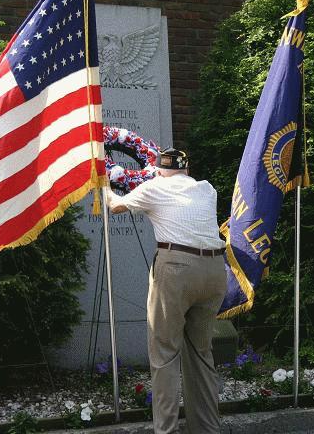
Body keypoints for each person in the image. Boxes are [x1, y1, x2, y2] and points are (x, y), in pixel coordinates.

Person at [105, 147, 227, 434]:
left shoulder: (154, 187)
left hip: (176, 270)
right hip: (214, 272)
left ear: (159, 169)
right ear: (187, 169)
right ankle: (208, 429)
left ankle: (166, 431)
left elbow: (115, 206)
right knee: (201, 354)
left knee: (164, 355)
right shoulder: (207, 189)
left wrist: (103, 184)